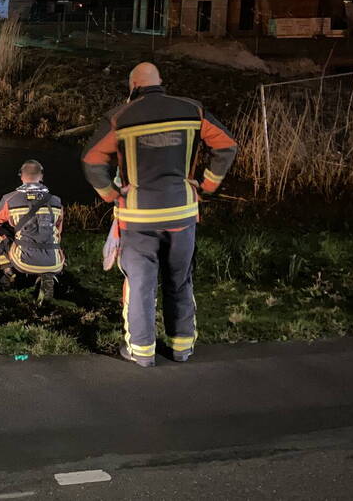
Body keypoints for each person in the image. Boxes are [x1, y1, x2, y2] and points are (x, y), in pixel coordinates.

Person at [82, 62, 237, 367]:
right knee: (180, 280)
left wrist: (112, 195)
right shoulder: (194, 111)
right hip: (182, 214)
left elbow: (91, 160)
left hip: (138, 219)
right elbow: (227, 146)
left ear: (132, 87)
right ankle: (181, 348)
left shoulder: (120, 117)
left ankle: (141, 351)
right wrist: (205, 186)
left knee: (140, 283)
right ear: (160, 82)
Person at [0, 160, 64, 300]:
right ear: (41, 177)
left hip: (23, 262)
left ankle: (8, 272)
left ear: (21, 176)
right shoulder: (56, 201)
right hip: (55, 262)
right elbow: (58, 231)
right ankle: (47, 274)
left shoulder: (10, 199)